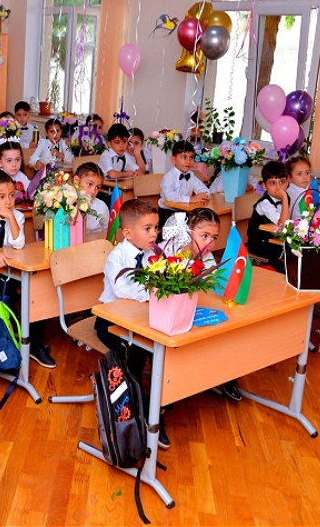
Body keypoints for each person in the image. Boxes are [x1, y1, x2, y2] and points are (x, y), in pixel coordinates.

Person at [95, 199, 168, 447]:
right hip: (110, 320)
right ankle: (139, 408)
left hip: (138, 317)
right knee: (135, 351)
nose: (154, 234)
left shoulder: (152, 255)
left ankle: (155, 400)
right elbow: (122, 289)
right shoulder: (117, 257)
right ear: (128, 233)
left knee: (155, 347)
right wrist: (152, 291)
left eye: (156, 228)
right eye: (147, 229)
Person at [0, 170, 55, 368]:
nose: (8, 201)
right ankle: (8, 338)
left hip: (14, 263)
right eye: (2, 197)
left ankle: (33, 342)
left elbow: (18, 244)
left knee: (36, 291)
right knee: (9, 293)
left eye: (11, 195)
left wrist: (10, 217)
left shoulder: (18, 216)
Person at [160, 208, 241, 401]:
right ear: (188, 231)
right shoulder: (168, 251)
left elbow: (212, 286)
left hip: (194, 307)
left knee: (226, 328)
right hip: (168, 311)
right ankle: (175, 385)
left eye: (214, 238)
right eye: (204, 236)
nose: (210, 243)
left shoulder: (207, 256)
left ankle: (225, 375)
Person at [247, 161, 290, 272]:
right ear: (264, 186)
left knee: (295, 250)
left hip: (274, 240)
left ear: (287, 183)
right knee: (287, 255)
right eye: (272, 183)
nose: (278, 188)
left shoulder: (284, 198)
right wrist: (284, 198)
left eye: (282, 182)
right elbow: (283, 224)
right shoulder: (265, 203)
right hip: (259, 244)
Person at [158, 139, 210, 226]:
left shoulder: (191, 175)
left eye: (191, 157)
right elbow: (169, 196)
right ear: (174, 160)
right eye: (184, 157)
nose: (188, 161)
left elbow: (205, 190)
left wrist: (202, 198)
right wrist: (191, 199)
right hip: (168, 213)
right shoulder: (169, 177)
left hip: (185, 210)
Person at [74, 162, 109, 236]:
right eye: (89, 184)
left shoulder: (101, 207)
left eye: (97, 187)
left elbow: (105, 231)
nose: (93, 191)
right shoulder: (64, 202)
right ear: (76, 181)